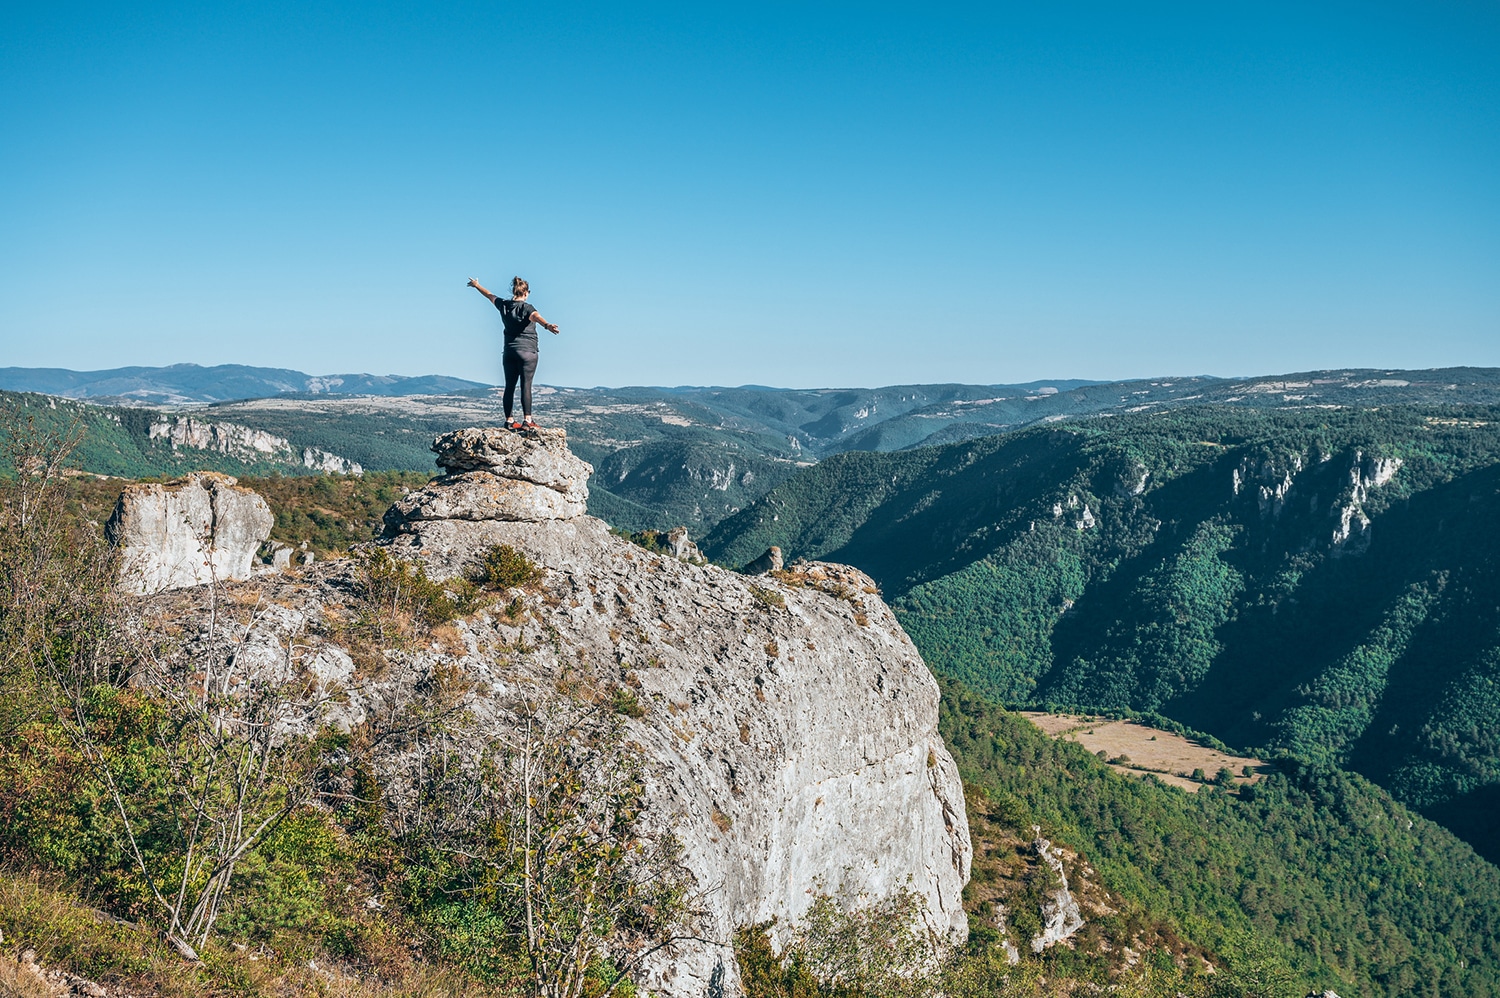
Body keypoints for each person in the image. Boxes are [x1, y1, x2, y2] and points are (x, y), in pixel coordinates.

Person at [466, 275, 560, 430]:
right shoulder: (527, 308)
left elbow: (489, 295)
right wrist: (548, 325)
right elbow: (537, 317)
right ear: (526, 293)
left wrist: (476, 285)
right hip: (528, 352)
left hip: (509, 351)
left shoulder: (504, 305)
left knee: (509, 386)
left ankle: (509, 421)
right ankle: (527, 421)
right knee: (526, 385)